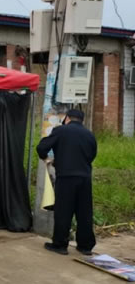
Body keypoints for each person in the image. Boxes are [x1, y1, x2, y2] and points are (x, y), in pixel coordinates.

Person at [36, 109, 97, 256]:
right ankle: (85, 246)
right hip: (84, 178)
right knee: (84, 212)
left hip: (66, 177)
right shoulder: (89, 134)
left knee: (63, 210)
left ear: (67, 118)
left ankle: (60, 244)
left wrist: (46, 159)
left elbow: (42, 147)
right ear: (82, 120)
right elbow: (92, 154)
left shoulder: (60, 131)